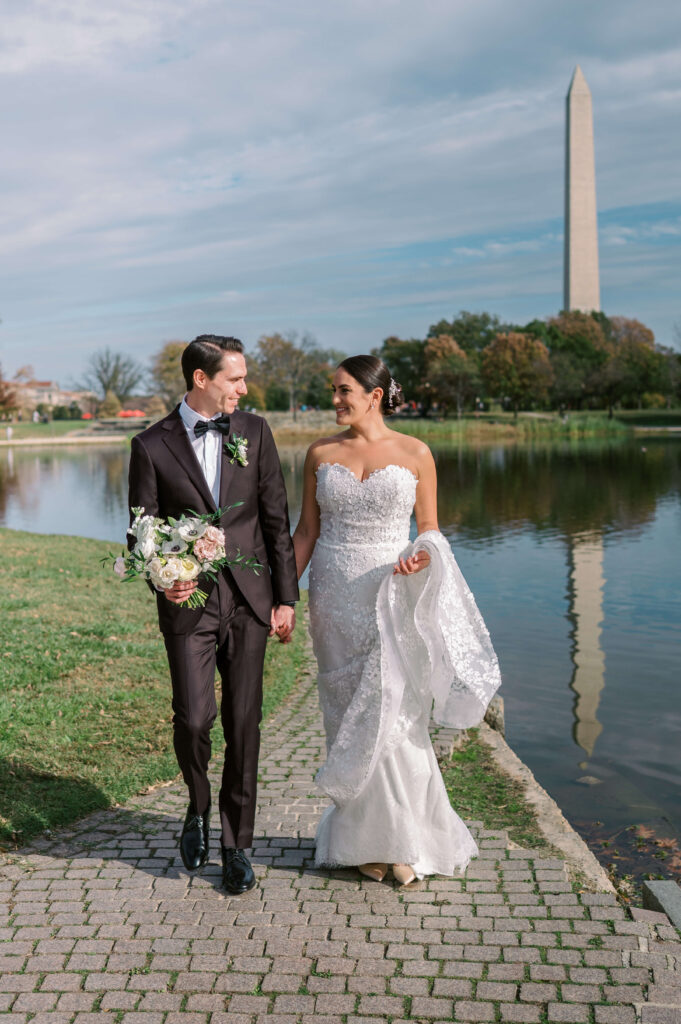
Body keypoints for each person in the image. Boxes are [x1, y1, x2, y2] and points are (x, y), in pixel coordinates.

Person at [292, 355, 501, 884]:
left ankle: (403, 840)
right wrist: (282, 596)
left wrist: (421, 554)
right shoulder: (319, 454)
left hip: (390, 592)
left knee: (396, 712)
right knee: (347, 711)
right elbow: (305, 533)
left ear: (374, 394)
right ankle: (363, 841)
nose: (334, 400)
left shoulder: (416, 453)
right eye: (332, 391)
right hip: (334, 595)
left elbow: (429, 530)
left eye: (343, 391)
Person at [128, 335, 298, 894]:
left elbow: (276, 519)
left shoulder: (253, 431)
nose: (244, 388)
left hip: (250, 602)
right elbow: (140, 536)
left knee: (243, 724)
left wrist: (285, 598)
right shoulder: (150, 445)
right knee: (195, 719)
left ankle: (237, 845)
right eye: (235, 378)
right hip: (190, 605)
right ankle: (197, 807)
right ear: (201, 379)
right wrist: (163, 578)